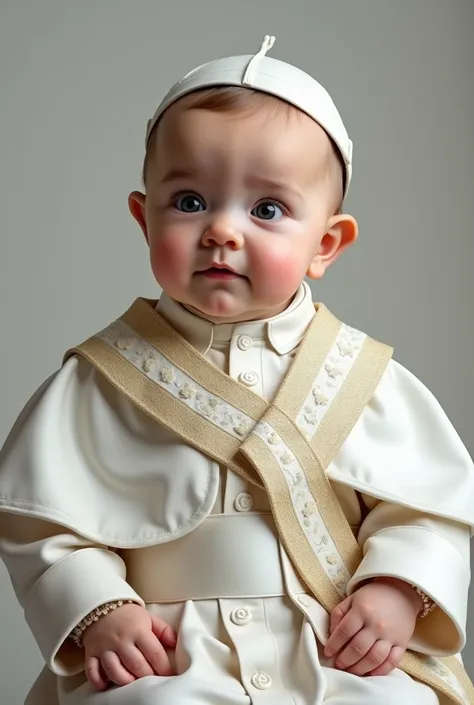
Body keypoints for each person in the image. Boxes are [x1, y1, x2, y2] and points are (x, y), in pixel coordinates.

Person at [0, 34, 473, 705]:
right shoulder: (100, 378)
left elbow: (429, 510)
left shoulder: (362, 376)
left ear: (326, 243)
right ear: (144, 218)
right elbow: (38, 520)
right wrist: (99, 608)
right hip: (167, 649)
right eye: (189, 201)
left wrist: (398, 587)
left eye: (268, 210)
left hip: (328, 643)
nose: (223, 230)